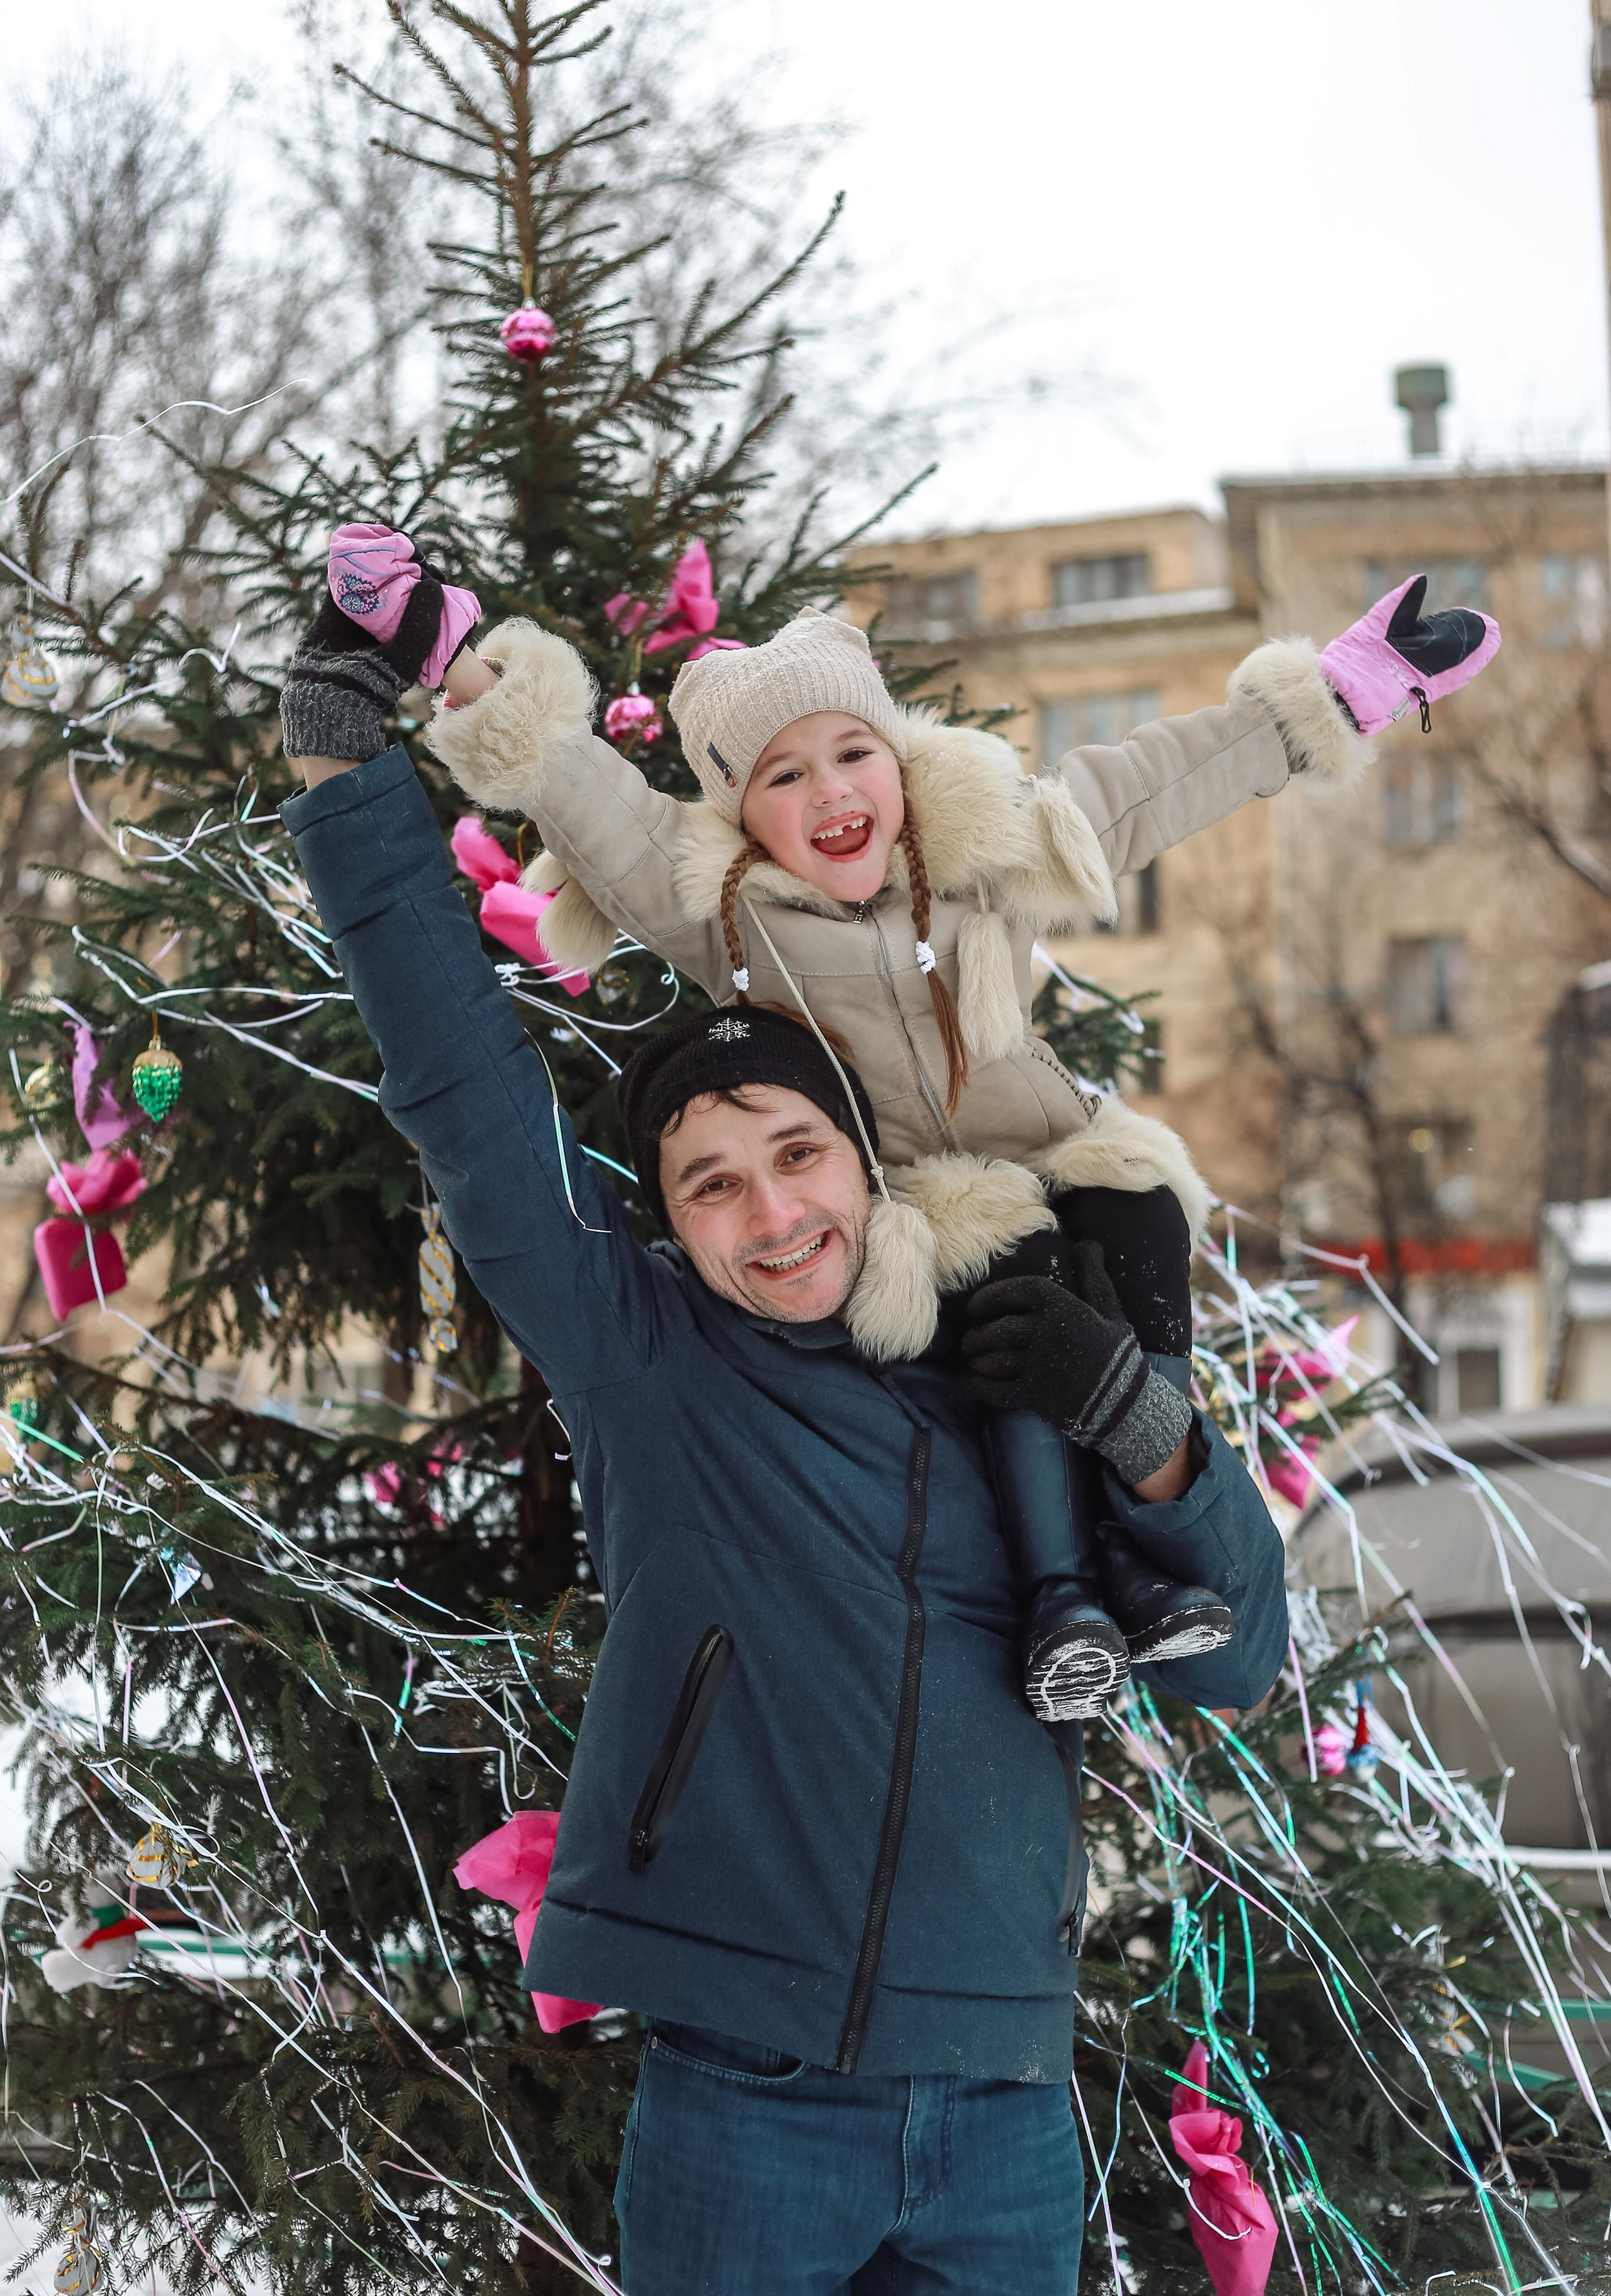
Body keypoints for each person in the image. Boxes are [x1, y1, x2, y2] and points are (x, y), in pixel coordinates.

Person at [279, 644, 1293, 2296]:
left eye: (799, 1155)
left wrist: (1142, 1424)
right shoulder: (652, 1360)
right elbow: (463, 1089)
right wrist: (348, 784)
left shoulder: (1016, 1373)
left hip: (1006, 2109)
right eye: (712, 1185)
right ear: (664, 1224)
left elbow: (1235, 1659)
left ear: (862, 1162)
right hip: (746, 2103)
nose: (772, 1214)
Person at [293, 524, 1500, 1720]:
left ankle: (1145, 1526)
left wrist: (1340, 692)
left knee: (1135, 1207)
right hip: (921, 1197)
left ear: (895, 757)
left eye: (852, 752)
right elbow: (578, 784)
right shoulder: (719, 908)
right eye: (783, 774)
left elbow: (1147, 787)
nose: (830, 792)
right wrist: (441, 643)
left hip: (1053, 1145)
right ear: (741, 809)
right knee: (1020, 1293)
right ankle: (1064, 1593)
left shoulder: (978, 846)